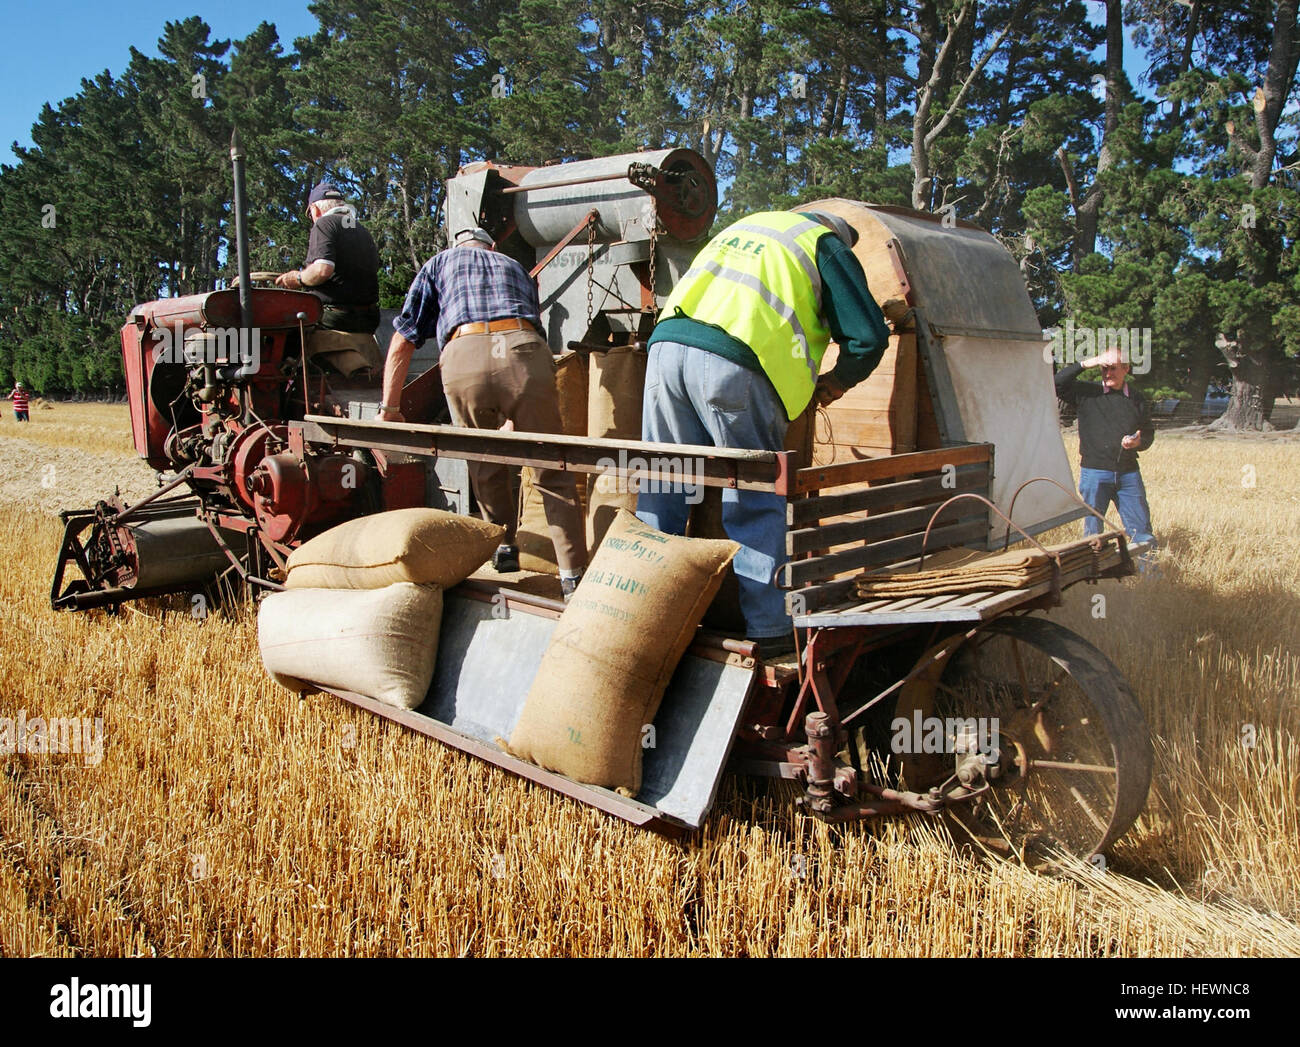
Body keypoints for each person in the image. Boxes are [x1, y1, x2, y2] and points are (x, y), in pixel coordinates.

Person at [635, 209, 891, 659]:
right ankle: (769, 630)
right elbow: (868, 337)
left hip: (665, 350)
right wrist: (833, 383)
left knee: (664, 487)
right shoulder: (826, 244)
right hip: (733, 365)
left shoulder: (749, 228)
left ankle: (647, 617)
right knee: (754, 497)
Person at [379, 227, 588, 597]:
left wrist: (390, 409)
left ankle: (503, 548)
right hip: (525, 349)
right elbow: (532, 329)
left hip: (465, 353)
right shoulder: (513, 265)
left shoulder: (439, 263)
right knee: (551, 469)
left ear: (458, 245)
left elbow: (404, 338)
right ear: (491, 246)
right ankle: (573, 577)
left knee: (485, 462)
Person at [1054, 348, 1157, 559]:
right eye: (1104, 369)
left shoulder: (1137, 399)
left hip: (1128, 474)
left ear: (1126, 369)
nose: (1108, 373)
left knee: (1142, 530)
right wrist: (1088, 363)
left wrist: (1138, 442)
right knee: (1093, 533)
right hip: (1094, 473)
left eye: (1113, 368)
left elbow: (1147, 433)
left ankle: (1150, 576)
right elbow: (1056, 383)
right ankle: (1093, 574)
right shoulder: (1087, 393)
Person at [276, 181, 382, 377]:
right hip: (368, 319)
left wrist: (297, 278)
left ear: (314, 209)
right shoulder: (361, 230)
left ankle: (281, 384)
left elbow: (322, 269)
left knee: (281, 328)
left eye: (309, 215)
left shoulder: (325, 224)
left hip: (337, 318)